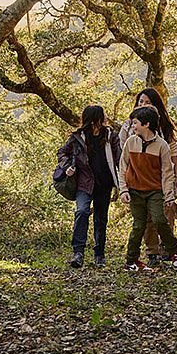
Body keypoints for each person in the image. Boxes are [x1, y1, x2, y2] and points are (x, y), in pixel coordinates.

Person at [118, 87, 177, 266]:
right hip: (136, 184)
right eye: (141, 102)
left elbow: (171, 157)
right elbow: (123, 160)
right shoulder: (131, 133)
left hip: (157, 183)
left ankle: (169, 250)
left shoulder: (162, 134)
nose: (143, 105)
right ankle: (148, 253)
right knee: (141, 223)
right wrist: (123, 188)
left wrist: (175, 180)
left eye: (147, 102)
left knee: (161, 217)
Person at [56, 105, 124, 269]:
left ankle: (99, 254)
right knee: (82, 211)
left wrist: (124, 179)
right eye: (101, 118)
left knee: (101, 218)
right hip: (84, 183)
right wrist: (67, 168)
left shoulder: (110, 136)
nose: (104, 120)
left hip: (104, 184)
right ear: (94, 120)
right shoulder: (78, 137)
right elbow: (62, 153)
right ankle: (78, 253)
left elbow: (120, 157)